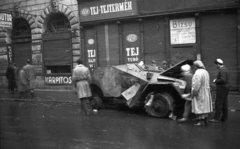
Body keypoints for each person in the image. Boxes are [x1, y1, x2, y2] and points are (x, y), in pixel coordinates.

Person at [191, 60, 213, 126]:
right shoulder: (206, 72)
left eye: (194, 66)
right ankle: (205, 119)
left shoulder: (198, 73)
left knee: (200, 106)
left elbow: (197, 84)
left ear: (196, 66)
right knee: (205, 107)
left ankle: (200, 121)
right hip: (206, 91)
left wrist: (194, 92)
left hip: (200, 91)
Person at [209, 59, 230, 123]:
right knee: (224, 103)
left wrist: (215, 80)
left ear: (218, 64)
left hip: (222, 88)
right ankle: (224, 118)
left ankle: (216, 118)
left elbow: (222, 80)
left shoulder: (222, 69)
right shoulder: (225, 68)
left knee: (218, 103)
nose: (215, 66)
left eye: (215, 65)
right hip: (226, 87)